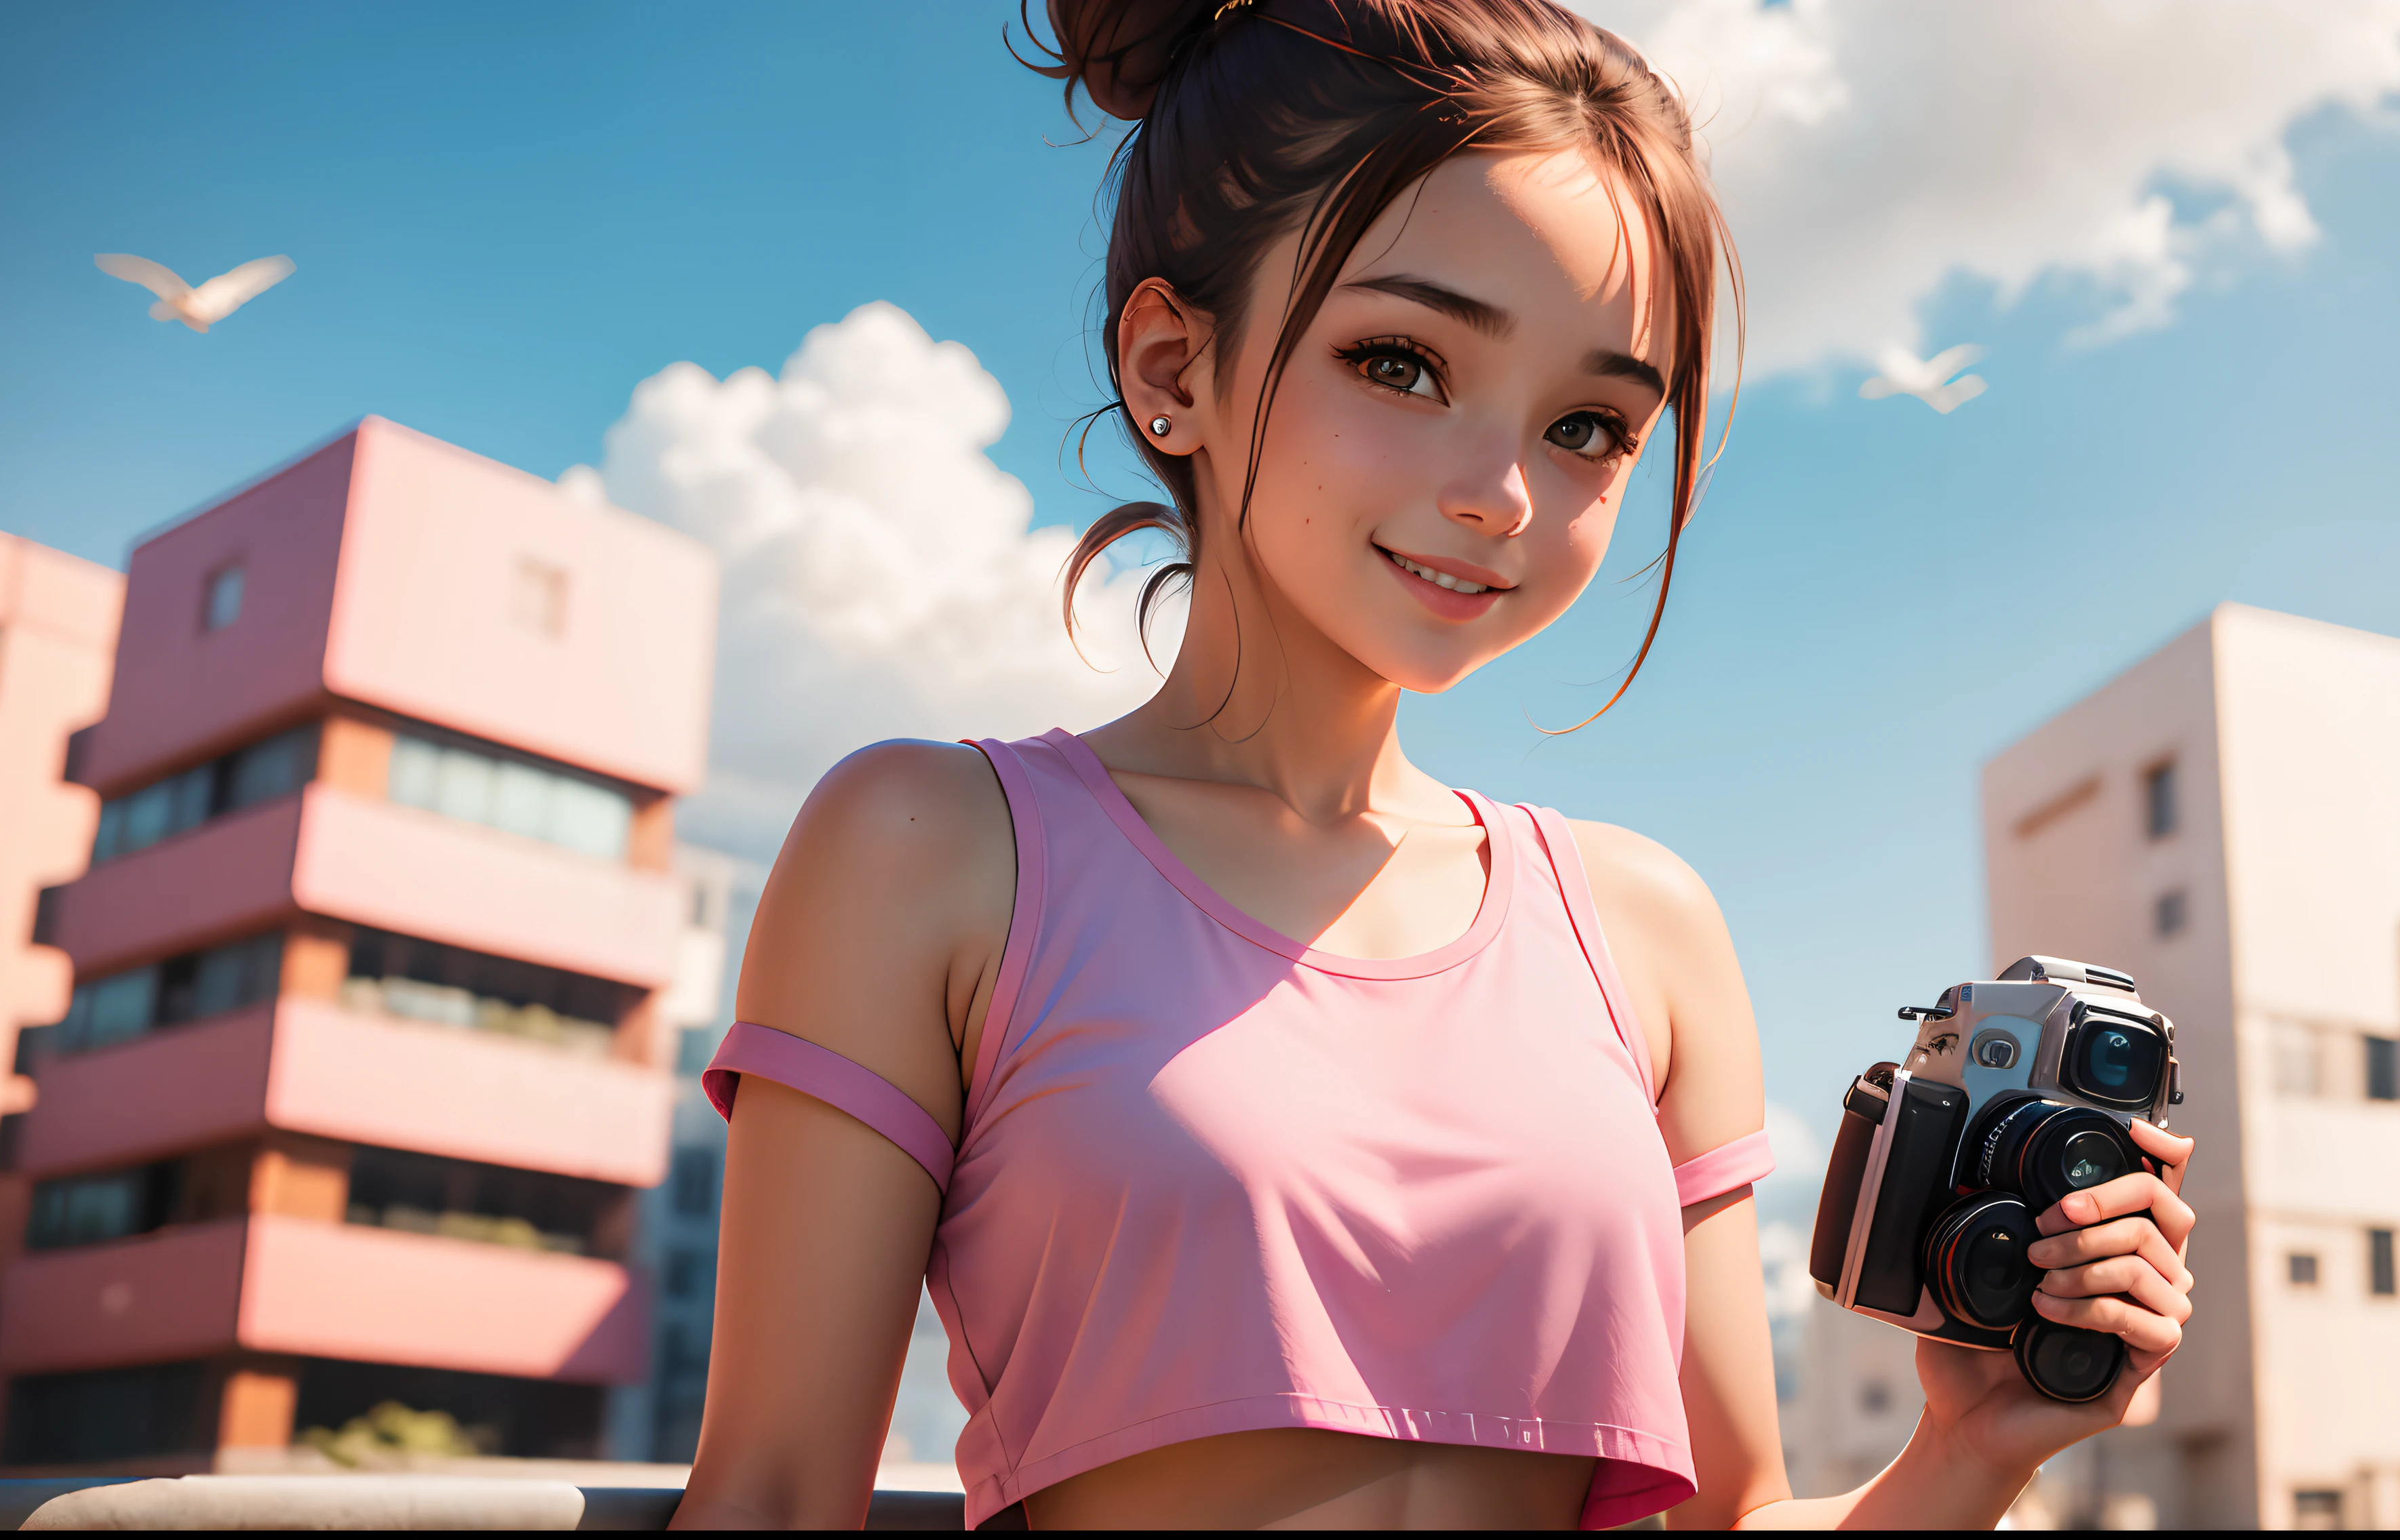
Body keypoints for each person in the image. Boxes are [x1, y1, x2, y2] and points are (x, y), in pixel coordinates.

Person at [673, 0, 2195, 1527]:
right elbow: (774, 1498)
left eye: (1589, 424)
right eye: (1400, 362)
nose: (1502, 493)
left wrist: (1967, 1448)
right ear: (1172, 363)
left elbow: (1722, 1519)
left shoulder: (1642, 925)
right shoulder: (932, 849)